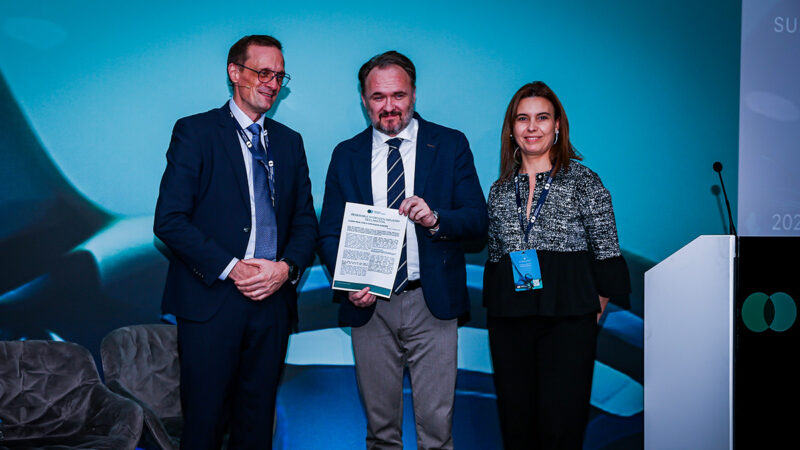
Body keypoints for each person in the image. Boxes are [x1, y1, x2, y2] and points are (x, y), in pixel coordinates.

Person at [153, 34, 318, 449]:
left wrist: (285, 269)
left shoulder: (290, 142)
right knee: (204, 425)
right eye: (263, 73)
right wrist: (233, 268)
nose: (272, 83)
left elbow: (304, 223)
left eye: (279, 76)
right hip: (212, 302)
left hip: (273, 303)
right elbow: (169, 221)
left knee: (256, 426)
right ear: (234, 72)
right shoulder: (195, 132)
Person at [318, 51, 487, 449]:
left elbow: (477, 221)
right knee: (381, 435)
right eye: (378, 97)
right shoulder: (346, 154)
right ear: (364, 100)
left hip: (432, 302)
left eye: (399, 95)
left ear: (414, 94)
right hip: (370, 307)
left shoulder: (449, 144)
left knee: (437, 434)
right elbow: (328, 233)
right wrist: (348, 283)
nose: (389, 106)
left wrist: (435, 219)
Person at [483, 81, 630, 449]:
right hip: (510, 325)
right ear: (512, 128)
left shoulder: (584, 182)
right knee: (517, 428)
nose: (532, 127)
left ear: (558, 125)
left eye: (542, 118)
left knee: (561, 429)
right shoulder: (499, 191)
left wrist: (587, 316)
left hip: (568, 326)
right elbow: (497, 259)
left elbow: (607, 253)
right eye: (523, 118)